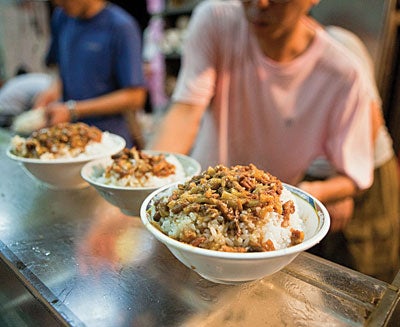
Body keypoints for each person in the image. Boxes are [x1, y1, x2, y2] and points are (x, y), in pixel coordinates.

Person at [147, 1, 386, 278]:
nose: (259, 4)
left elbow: (354, 176)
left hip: (265, 229)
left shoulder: (343, 73)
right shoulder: (215, 19)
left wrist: (305, 195)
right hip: (195, 204)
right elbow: (185, 113)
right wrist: (150, 180)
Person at [303, 24, 400, 282]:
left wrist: (341, 181)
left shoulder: (338, 44)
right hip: (314, 178)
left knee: (365, 271)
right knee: (321, 273)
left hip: (365, 174)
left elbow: (370, 118)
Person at [33, 0, 147, 147]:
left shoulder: (121, 27)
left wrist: (74, 109)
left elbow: (135, 96)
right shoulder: (62, 17)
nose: (58, 3)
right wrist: (52, 91)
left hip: (107, 141)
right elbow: (63, 67)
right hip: (69, 139)